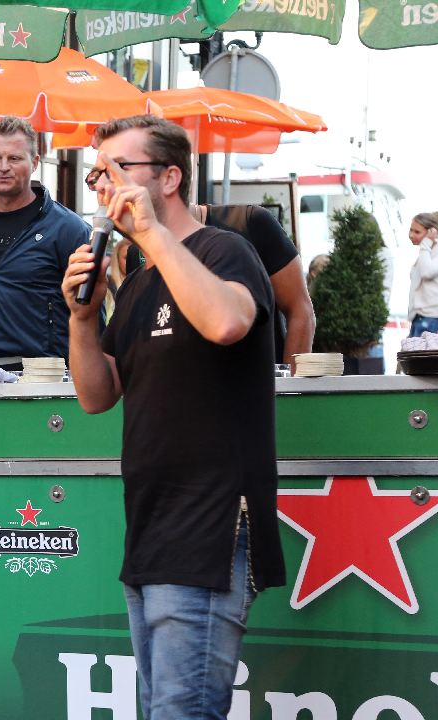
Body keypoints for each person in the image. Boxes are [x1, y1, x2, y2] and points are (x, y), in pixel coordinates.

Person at [62, 115, 284, 720]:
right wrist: (82, 318)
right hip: (150, 528)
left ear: (169, 178)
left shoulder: (224, 250)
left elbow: (227, 322)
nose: (103, 187)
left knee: (182, 712)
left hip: (209, 525)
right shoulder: (137, 282)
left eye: (116, 170)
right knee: (165, 707)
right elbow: (96, 395)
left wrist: (154, 235)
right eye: (97, 175)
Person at [0, 116, 91, 360]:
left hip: (39, 373)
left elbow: (90, 313)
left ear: (34, 163)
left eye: (14, 158)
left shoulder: (68, 228)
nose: (3, 167)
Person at [194, 204, 316, 363]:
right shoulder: (160, 251)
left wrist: (290, 378)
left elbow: (301, 311)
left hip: (261, 375)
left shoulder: (249, 223)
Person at [407, 211, 438, 337]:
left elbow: (427, 272)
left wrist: (426, 243)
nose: (411, 235)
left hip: (434, 317)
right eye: (411, 230)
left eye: (417, 232)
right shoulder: (426, 252)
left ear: (431, 232)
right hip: (419, 317)